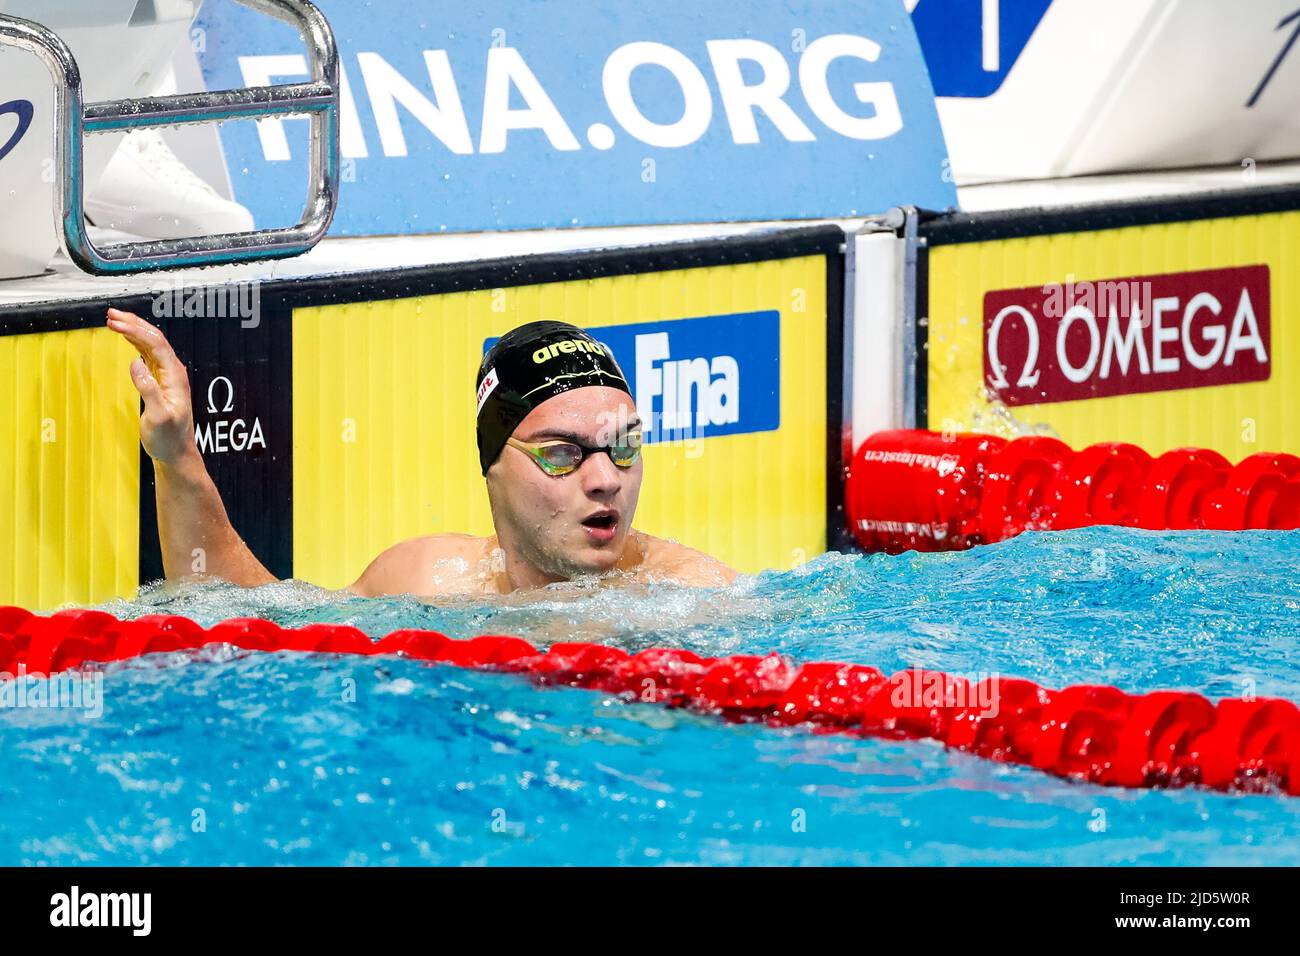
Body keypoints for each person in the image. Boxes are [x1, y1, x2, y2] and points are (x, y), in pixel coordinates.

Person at [106, 308, 738, 597]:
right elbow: (241, 618)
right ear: (494, 467)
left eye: (623, 448)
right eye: (562, 454)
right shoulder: (427, 580)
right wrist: (178, 457)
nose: (604, 479)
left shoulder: (690, 597)